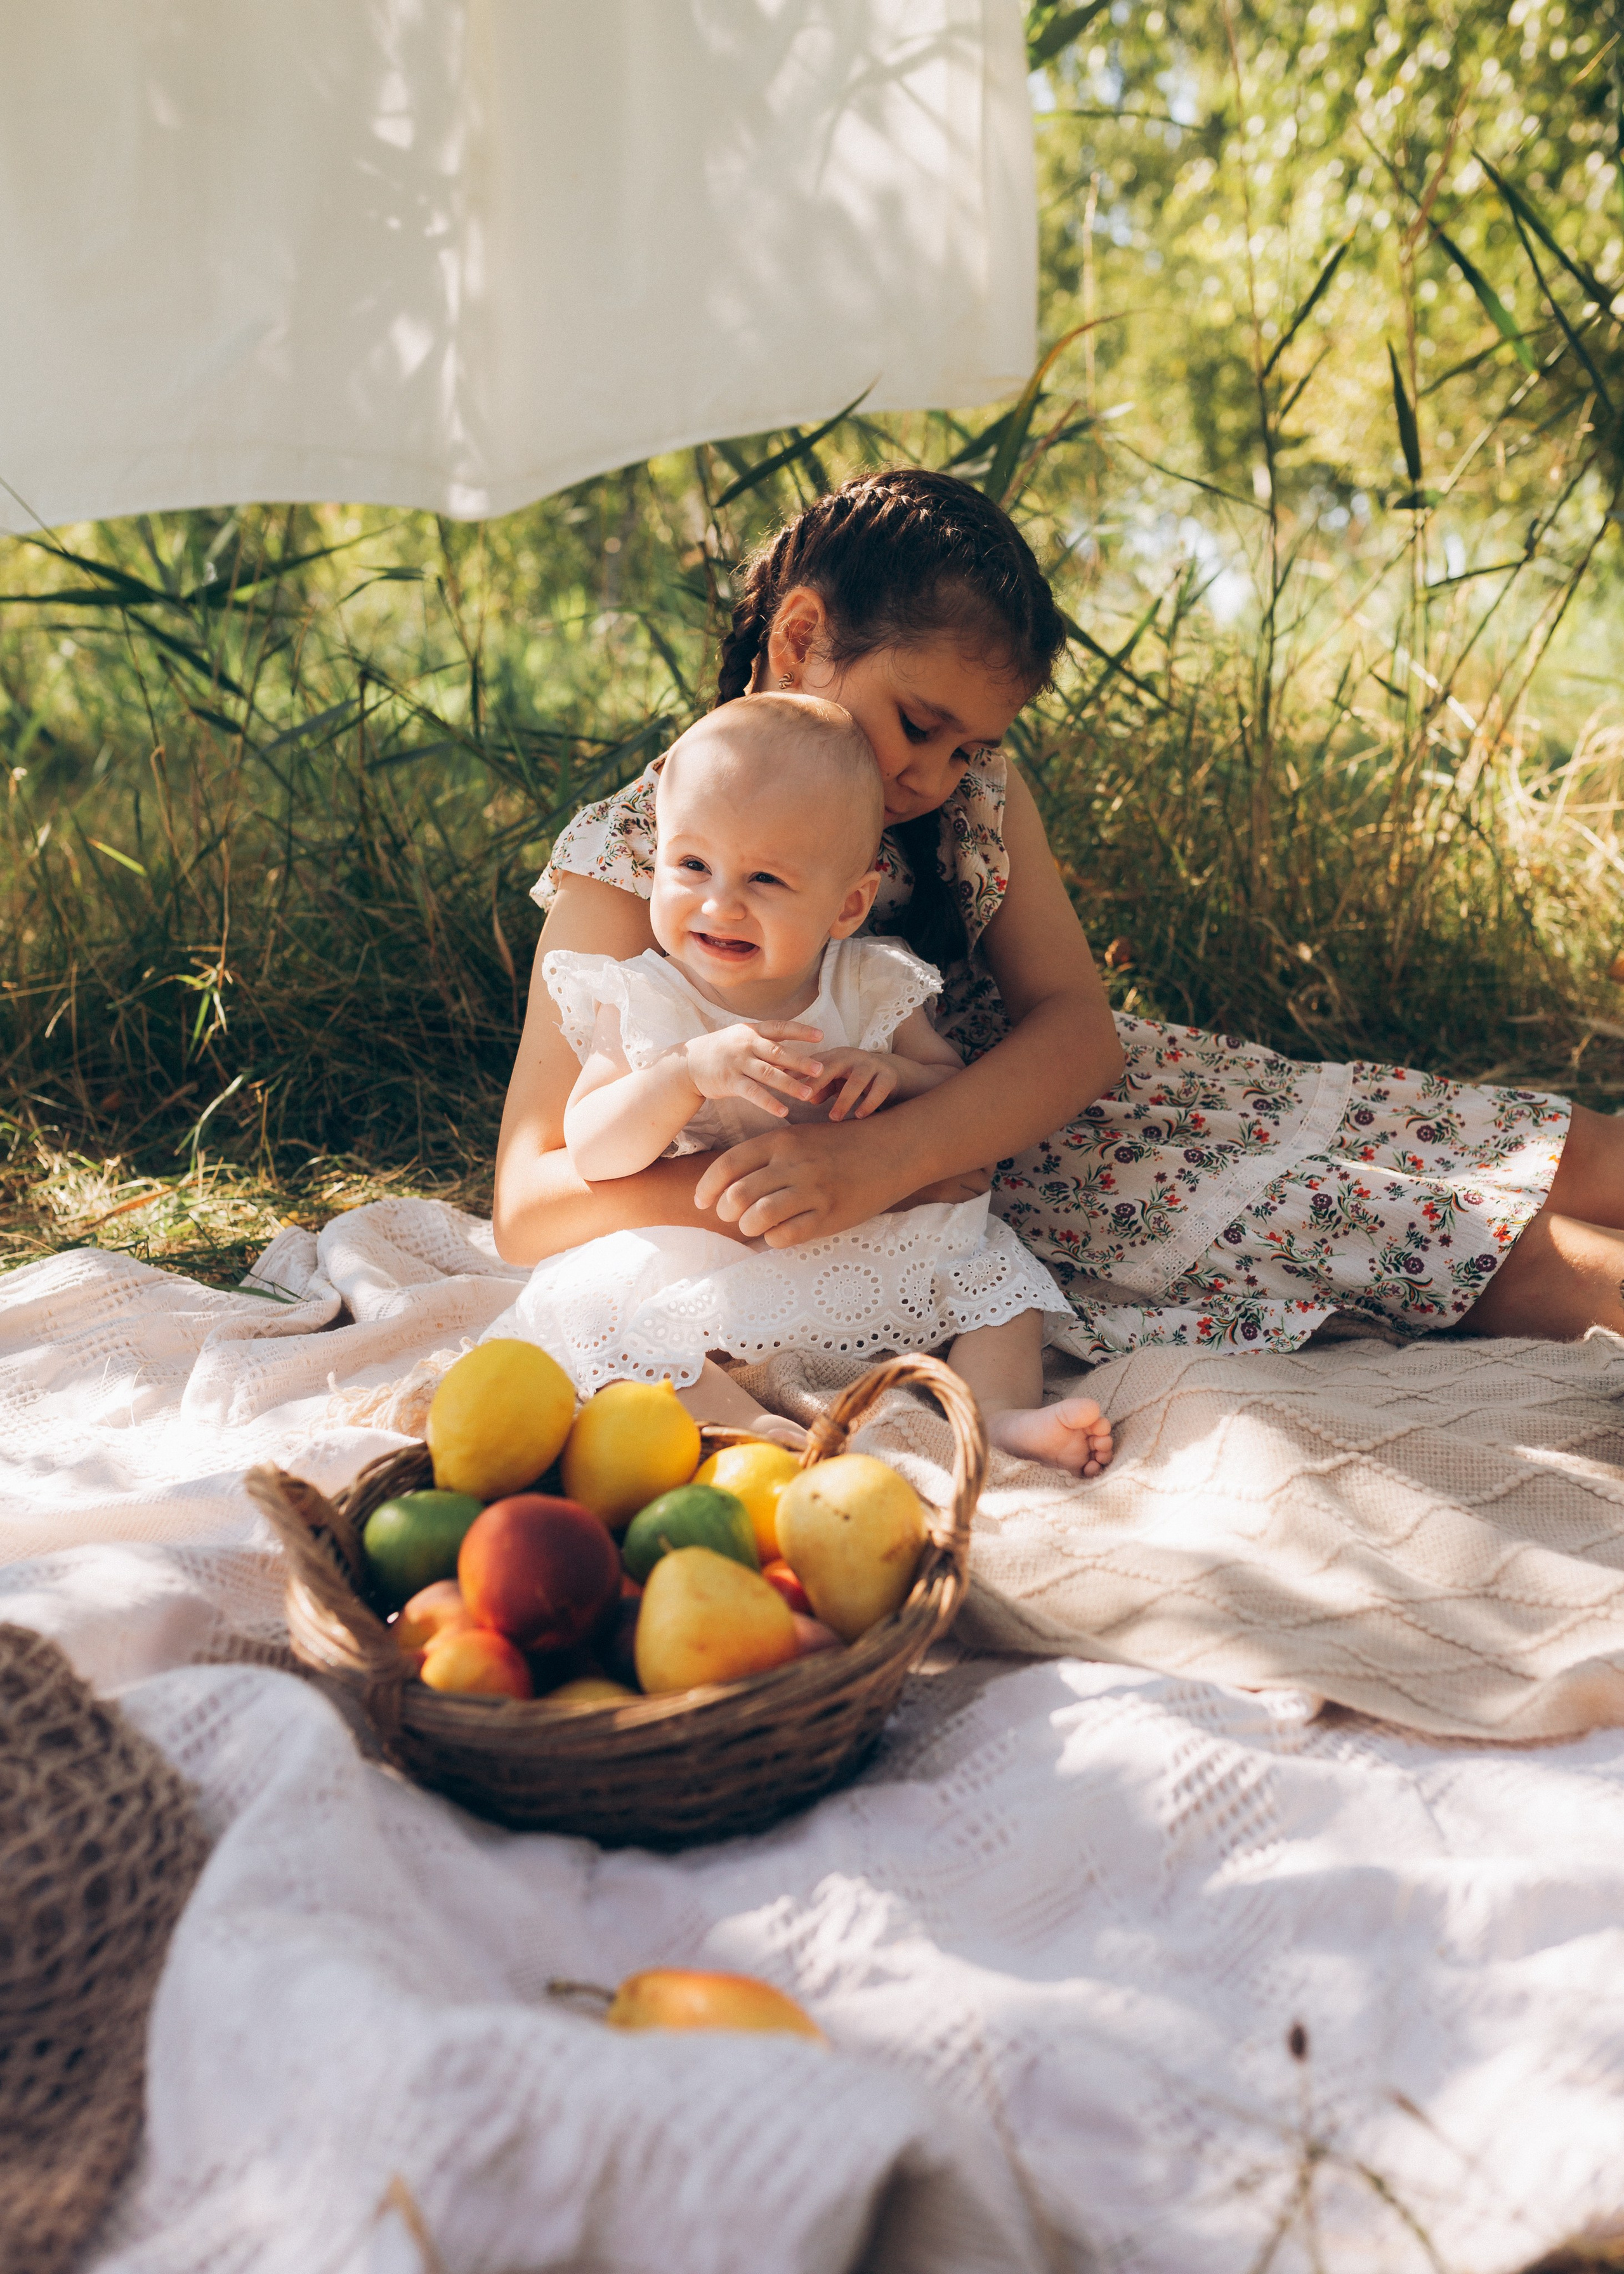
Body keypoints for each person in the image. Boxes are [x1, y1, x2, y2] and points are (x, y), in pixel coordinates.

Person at [495, 465, 1624, 1372]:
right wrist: (848, 1176)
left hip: (1034, 1098)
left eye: (968, 747)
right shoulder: (636, 862)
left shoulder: (973, 800)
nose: (938, 775)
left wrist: (899, 1146)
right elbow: (530, 1200)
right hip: (988, 1190)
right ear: (799, 638)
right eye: (920, 724)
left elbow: (1077, 1026)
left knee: (1520, 1142)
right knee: (1438, 1229)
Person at [488, 691, 1114, 1477]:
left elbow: (943, 1080)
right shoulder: (646, 996)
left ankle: (998, 1416)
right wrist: (683, 1075)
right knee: (601, 1317)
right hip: (703, 1246)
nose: (720, 902)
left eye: (765, 879)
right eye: (691, 865)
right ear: (656, 861)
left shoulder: (866, 982)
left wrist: (890, 1072)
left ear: (849, 903)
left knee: (1002, 1281)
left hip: (861, 1229)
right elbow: (594, 1146)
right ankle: (751, 1434)